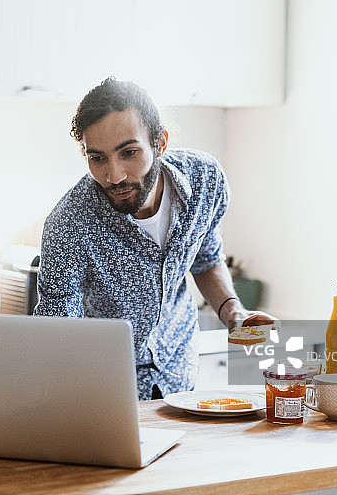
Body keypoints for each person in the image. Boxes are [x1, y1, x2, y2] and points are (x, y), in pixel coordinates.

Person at [34, 77, 274, 400]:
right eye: (98, 158)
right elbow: (57, 333)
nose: (114, 176)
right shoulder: (70, 224)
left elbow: (205, 259)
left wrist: (233, 312)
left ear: (159, 142)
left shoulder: (204, 181)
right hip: (107, 391)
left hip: (180, 376)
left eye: (129, 152)